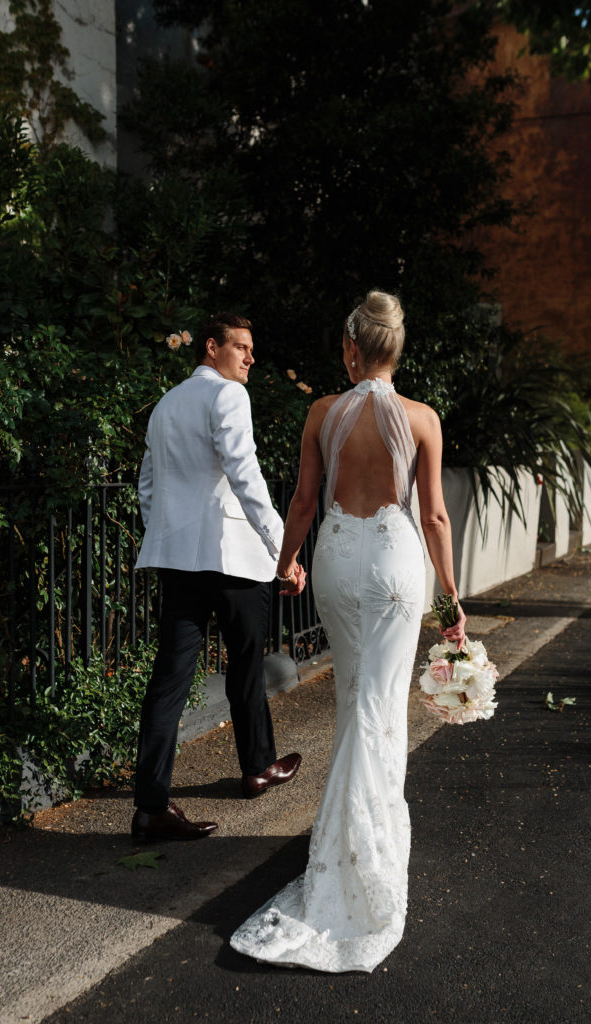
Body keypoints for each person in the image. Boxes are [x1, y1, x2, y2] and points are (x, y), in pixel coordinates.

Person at [230, 290, 466, 972]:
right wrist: (450, 601)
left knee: (351, 700)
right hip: (393, 561)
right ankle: (369, 853)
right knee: (379, 706)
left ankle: (344, 850)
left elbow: (302, 501)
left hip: (335, 558)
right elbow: (435, 520)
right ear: (395, 350)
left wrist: (283, 565)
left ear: (349, 349)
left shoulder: (321, 412)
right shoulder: (421, 418)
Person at [132, 312, 303, 844]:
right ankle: (257, 768)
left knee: (170, 682)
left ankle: (150, 808)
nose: (250, 358)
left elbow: (147, 486)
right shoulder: (227, 395)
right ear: (212, 347)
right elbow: (245, 475)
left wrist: (167, 532)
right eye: (242, 347)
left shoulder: (165, 404)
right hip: (232, 561)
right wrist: (285, 552)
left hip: (178, 560)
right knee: (247, 666)